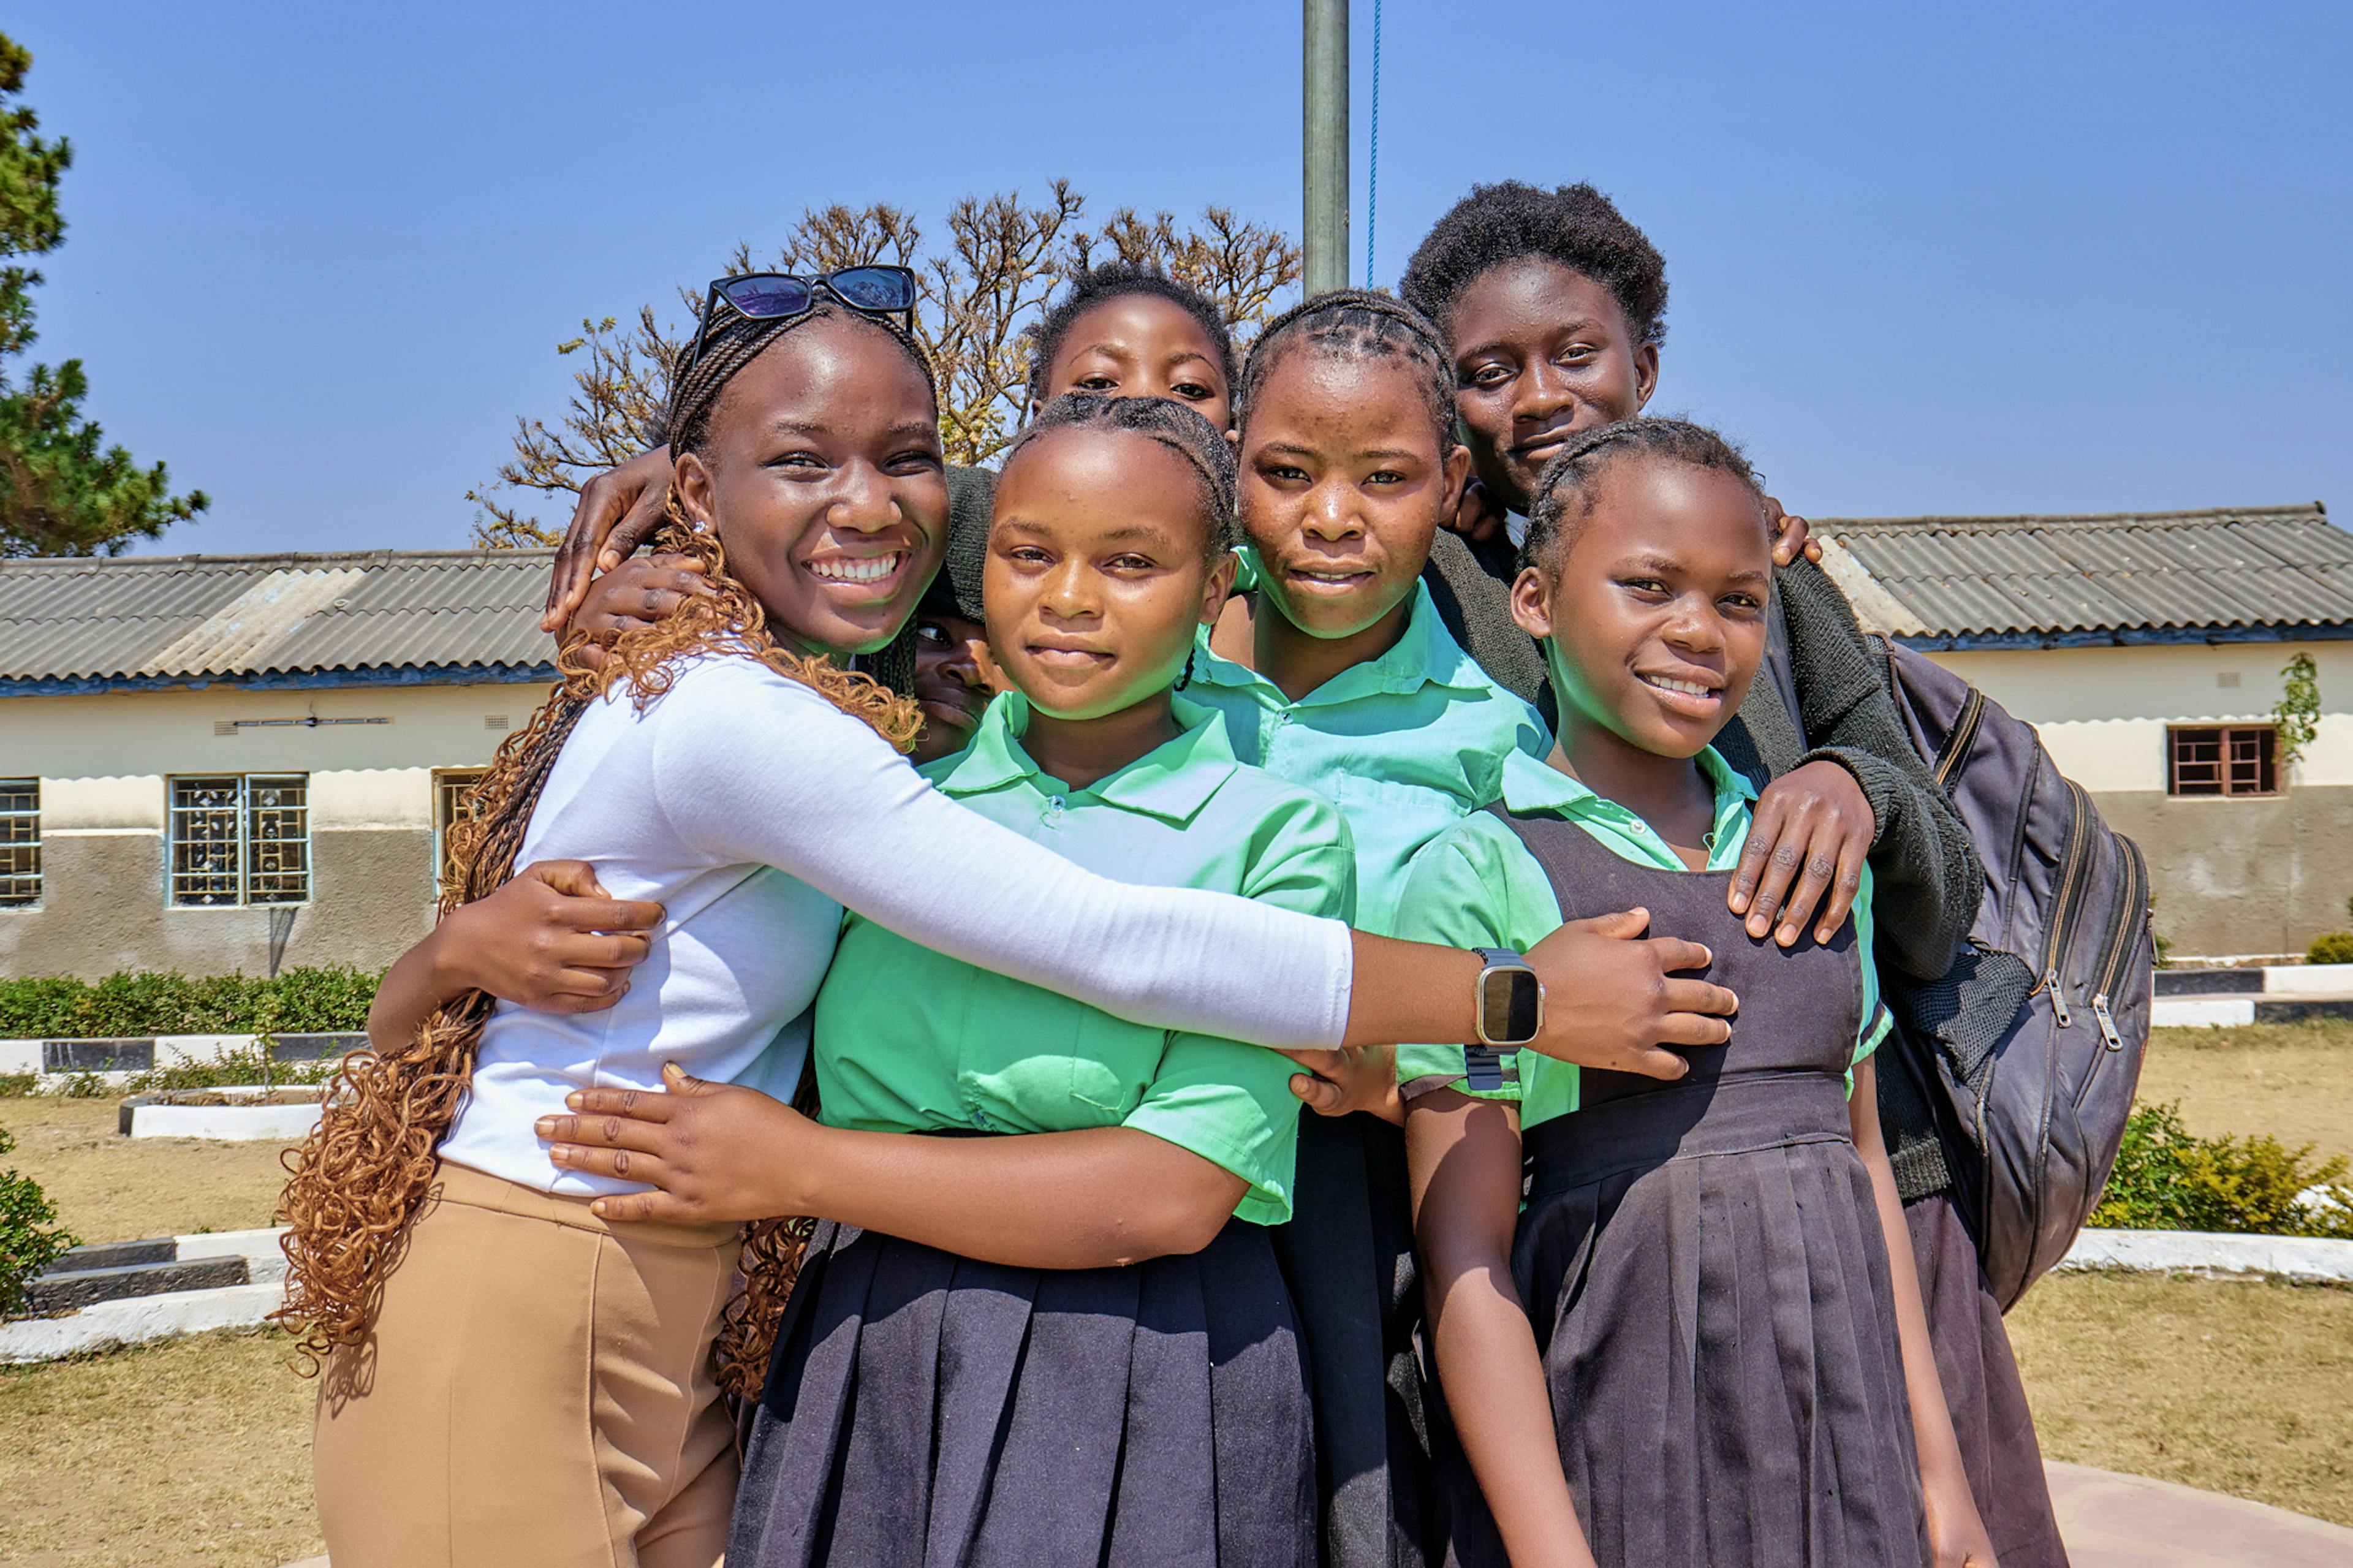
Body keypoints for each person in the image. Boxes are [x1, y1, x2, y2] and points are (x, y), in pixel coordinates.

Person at [294, 272, 1740, 1568]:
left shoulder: (916, 740)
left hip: (994, 1338)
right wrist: (1510, 996)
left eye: (903, 461)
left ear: (1211, 577)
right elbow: (1114, 940)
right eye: (796, 461)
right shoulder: (785, 731)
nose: (865, 504)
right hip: (658, 1293)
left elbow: (1171, 1170)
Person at [1401, 182, 2067, 1564]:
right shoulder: (1433, 585)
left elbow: (1938, 873)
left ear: (1644, 359)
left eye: (1573, 352)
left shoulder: (1766, 560)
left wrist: (1852, 784)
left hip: (1852, 1199)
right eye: (1486, 371)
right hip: (1601, 1243)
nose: (1536, 395)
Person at [694, 390, 1342, 1564]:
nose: (1070, 598)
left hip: (1142, 1352)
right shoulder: (881, 799)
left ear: (1215, 593)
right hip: (870, 1349)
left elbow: (1171, 1192)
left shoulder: (1278, 839)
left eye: (1132, 562)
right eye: (1028, 553)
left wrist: (796, 1166)